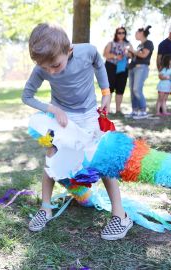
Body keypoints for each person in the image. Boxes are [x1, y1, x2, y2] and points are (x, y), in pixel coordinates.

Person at [22, 23, 132, 240]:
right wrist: (52, 109)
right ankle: (45, 208)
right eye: (46, 68)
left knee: (102, 159)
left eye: (55, 65)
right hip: (63, 119)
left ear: (69, 50)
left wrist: (106, 92)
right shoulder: (42, 67)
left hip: (90, 115)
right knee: (52, 159)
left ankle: (120, 215)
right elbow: (27, 96)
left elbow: (99, 63)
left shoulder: (87, 51)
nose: (51, 72)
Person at [103, 27, 133, 115]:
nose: (121, 34)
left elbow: (132, 55)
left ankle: (118, 110)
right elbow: (105, 54)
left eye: (123, 33)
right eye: (119, 33)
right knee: (109, 88)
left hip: (123, 68)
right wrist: (116, 57)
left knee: (120, 89)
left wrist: (128, 54)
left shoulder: (128, 44)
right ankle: (106, 110)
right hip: (111, 67)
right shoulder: (111, 43)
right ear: (116, 34)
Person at [127, 26, 154, 120]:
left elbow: (144, 55)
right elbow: (135, 55)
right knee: (132, 90)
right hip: (133, 68)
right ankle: (135, 110)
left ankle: (143, 111)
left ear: (142, 33)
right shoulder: (139, 45)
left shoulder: (148, 43)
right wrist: (130, 53)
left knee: (136, 89)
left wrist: (133, 50)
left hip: (141, 68)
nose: (135, 35)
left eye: (136, 33)